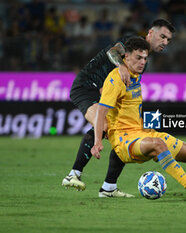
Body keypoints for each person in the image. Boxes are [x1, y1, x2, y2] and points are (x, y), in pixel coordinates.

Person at [91, 36, 186, 201]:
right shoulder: (116, 79)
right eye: (138, 58)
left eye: (145, 59)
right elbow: (101, 112)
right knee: (158, 144)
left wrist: (123, 65)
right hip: (124, 141)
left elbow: (116, 52)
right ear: (126, 57)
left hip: (143, 133)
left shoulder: (133, 74)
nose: (142, 62)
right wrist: (97, 142)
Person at [62, 19, 175, 195]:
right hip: (85, 87)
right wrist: (121, 65)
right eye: (162, 37)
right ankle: (73, 175)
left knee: (123, 130)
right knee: (105, 126)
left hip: (101, 92)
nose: (165, 42)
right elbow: (112, 51)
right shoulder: (131, 43)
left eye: (168, 40)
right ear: (150, 33)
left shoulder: (142, 61)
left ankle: (109, 188)